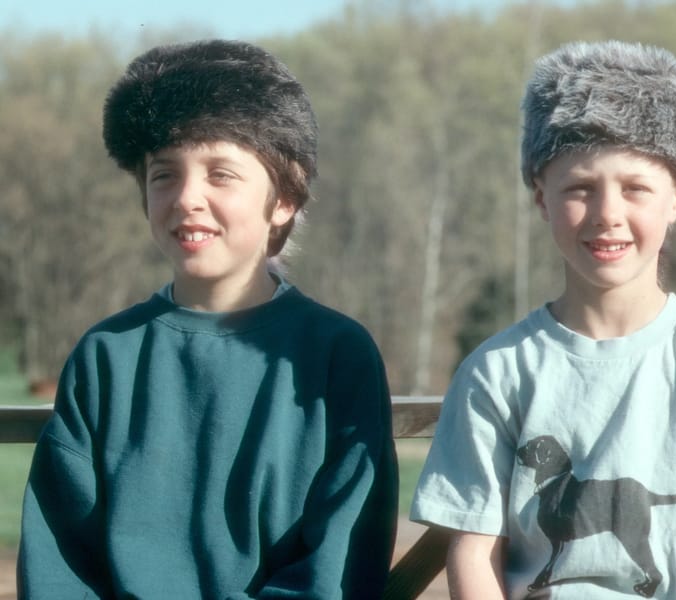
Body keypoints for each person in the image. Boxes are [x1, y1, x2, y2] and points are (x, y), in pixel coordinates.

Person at [411, 40, 676, 600]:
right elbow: (473, 551)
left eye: (635, 188)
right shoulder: (495, 371)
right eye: (580, 189)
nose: (607, 214)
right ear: (541, 198)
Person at [18, 39, 398, 600]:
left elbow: (340, 560)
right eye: (163, 175)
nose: (187, 198)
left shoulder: (336, 355)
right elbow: (60, 562)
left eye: (220, 174)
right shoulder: (106, 356)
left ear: (285, 198)